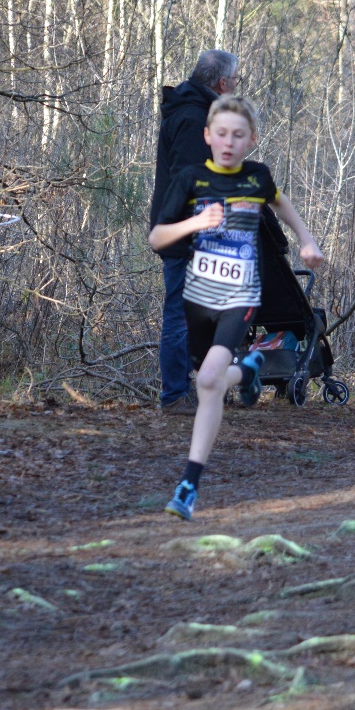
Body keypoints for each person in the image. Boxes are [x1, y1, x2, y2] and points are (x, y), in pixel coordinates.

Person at [149, 95, 324, 520]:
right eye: (222, 134)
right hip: (199, 298)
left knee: (208, 381)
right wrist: (194, 223)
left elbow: (281, 204)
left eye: (238, 136)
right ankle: (249, 370)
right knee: (207, 380)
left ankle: (188, 486)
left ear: (251, 141)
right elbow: (156, 238)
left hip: (241, 296)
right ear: (208, 136)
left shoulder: (257, 178)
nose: (229, 143)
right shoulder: (190, 179)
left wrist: (307, 240)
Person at [150, 49, 241, 414]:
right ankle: (174, 395)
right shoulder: (191, 117)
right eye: (235, 81)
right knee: (179, 315)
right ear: (222, 83)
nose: (235, 87)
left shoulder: (194, 110)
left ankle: (198, 387)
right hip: (184, 233)